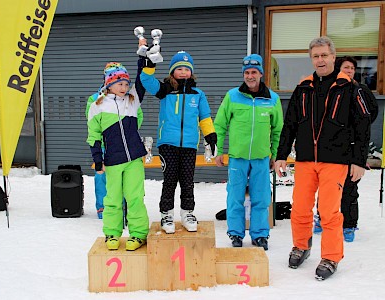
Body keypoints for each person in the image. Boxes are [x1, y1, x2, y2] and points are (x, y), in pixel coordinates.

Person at [274, 37, 371, 280]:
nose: (320, 60)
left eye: (324, 55)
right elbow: (290, 125)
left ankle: (330, 256)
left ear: (333, 57)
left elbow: (362, 125)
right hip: (306, 159)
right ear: (311, 59)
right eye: (316, 56)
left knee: (328, 212)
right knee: (300, 209)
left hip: (335, 160)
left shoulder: (350, 88)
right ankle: (301, 246)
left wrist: (358, 160)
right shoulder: (303, 88)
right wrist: (281, 155)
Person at [140, 49, 217, 234]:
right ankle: (166, 214)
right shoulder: (165, 91)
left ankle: (187, 213)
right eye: (179, 68)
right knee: (170, 180)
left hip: (190, 145)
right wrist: (150, 65)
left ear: (191, 72)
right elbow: (146, 81)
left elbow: (204, 117)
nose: (183, 72)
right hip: (168, 144)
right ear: (172, 71)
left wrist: (210, 136)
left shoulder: (198, 94)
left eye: (186, 68)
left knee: (187, 181)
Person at [214, 54, 283, 250]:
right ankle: (235, 233)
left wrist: (275, 153)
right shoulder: (232, 96)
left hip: (262, 158)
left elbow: (278, 129)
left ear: (261, 73)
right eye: (246, 72)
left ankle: (260, 234)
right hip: (238, 158)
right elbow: (220, 125)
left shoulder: (272, 99)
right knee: (235, 197)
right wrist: (218, 150)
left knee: (261, 197)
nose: (250, 76)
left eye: (254, 72)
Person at [313, 56, 378, 242]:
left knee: (349, 186)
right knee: (326, 186)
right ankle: (322, 218)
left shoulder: (361, 90)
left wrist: (355, 127)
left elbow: (371, 112)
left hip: (352, 146)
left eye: (351, 68)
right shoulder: (331, 88)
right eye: (346, 67)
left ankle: (349, 224)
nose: (349, 70)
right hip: (331, 146)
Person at [87, 59, 149, 251]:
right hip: (112, 160)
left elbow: (141, 81)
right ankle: (112, 233)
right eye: (119, 84)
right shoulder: (97, 105)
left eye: (125, 84)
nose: (124, 87)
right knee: (112, 199)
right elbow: (94, 135)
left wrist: (143, 60)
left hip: (133, 159)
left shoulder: (132, 100)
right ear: (109, 84)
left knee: (135, 197)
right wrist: (98, 159)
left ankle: (138, 234)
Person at [86, 92, 144, 220]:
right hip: (104, 143)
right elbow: (91, 120)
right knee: (102, 177)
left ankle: (124, 208)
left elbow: (138, 115)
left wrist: (128, 132)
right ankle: (102, 207)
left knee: (127, 178)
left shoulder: (128, 97)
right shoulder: (95, 98)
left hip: (124, 144)